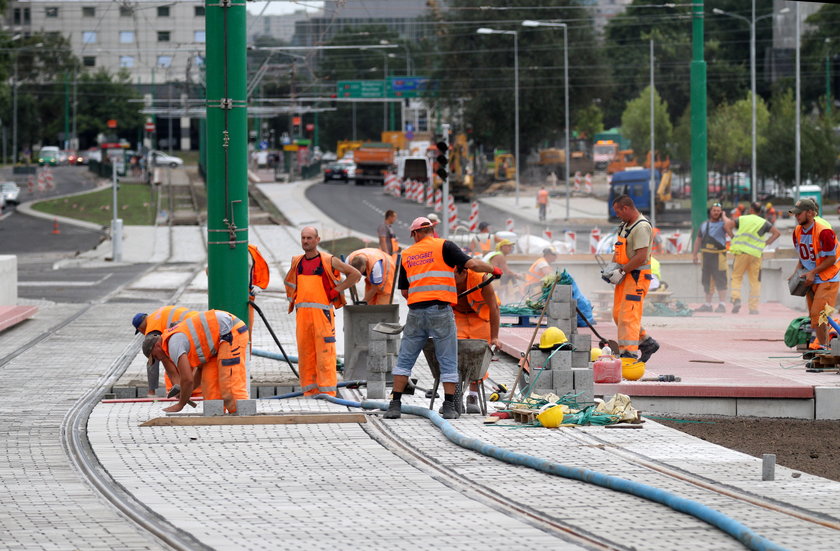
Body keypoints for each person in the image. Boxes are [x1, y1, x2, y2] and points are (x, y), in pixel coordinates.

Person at [384, 217, 501, 420]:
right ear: (431, 231)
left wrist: (420, 295)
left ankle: (395, 405)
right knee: (448, 359)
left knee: (405, 360)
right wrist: (493, 269)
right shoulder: (444, 246)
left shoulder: (407, 254)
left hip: (415, 312)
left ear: (414, 234)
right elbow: (472, 263)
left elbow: (404, 291)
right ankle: (448, 406)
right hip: (440, 311)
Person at [284, 226, 360, 397]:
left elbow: (355, 275)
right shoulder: (297, 262)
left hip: (322, 317)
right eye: (303, 238)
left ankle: (328, 393)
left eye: (310, 238)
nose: (306, 241)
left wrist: (336, 290)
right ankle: (309, 392)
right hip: (303, 317)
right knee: (306, 355)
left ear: (317, 240)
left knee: (325, 355)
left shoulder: (328, 260)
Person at [142, 309, 249, 414]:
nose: (158, 359)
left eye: (155, 356)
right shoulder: (172, 343)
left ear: (156, 346)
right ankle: (216, 415)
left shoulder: (173, 344)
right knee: (209, 382)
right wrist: (185, 391)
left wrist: (181, 404)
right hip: (216, 341)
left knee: (228, 380)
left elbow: (187, 379)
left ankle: (241, 414)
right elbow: (198, 372)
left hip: (230, 330)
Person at [607, 194, 659, 363]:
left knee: (628, 316)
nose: (617, 215)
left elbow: (641, 256)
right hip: (625, 276)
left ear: (626, 208)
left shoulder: (641, 227)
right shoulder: (625, 226)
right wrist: (611, 269)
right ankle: (646, 342)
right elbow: (619, 251)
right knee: (617, 315)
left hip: (636, 278)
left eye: (618, 211)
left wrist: (621, 271)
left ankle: (628, 356)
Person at [789, 199, 840, 350]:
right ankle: (825, 348)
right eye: (795, 214)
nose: (796, 216)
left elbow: (831, 259)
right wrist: (796, 273)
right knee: (816, 318)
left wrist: (812, 272)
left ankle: (824, 348)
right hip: (812, 278)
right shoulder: (797, 231)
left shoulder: (824, 231)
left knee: (820, 315)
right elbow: (802, 256)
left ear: (810, 213)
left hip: (829, 277)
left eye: (799, 213)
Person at [453, 267, 500, 414]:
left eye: (454, 274)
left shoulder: (480, 278)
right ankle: (454, 396)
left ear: (464, 272)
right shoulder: (443, 277)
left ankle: (472, 396)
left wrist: (495, 337)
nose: (450, 278)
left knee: (478, 356)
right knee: (453, 356)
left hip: (479, 317)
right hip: (457, 316)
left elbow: (494, 308)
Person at [726, 201, 780, 314]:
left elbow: (727, 226)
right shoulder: (764, 223)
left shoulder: (742, 219)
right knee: (755, 281)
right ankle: (753, 308)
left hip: (741, 253)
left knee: (736, 277)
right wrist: (766, 243)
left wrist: (733, 237)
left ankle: (736, 299)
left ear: (751, 210)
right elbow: (777, 233)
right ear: (760, 212)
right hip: (756, 254)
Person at [132, 306, 199, 397]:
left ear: (140, 329)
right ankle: (186, 393)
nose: (157, 358)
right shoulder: (158, 315)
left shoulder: (152, 330)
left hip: (194, 330)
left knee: (182, 364)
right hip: (198, 321)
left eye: (155, 356)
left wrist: (151, 392)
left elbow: (153, 365)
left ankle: (188, 393)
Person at [691, 202, 732, 313]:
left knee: (721, 280)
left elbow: (730, 224)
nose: (716, 213)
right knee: (707, 280)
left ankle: (722, 305)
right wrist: (695, 254)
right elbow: (698, 239)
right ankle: (708, 304)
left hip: (719, 256)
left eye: (718, 211)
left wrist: (724, 216)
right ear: (710, 212)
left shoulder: (724, 224)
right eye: (714, 210)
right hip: (706, 256)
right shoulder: (704, 225)